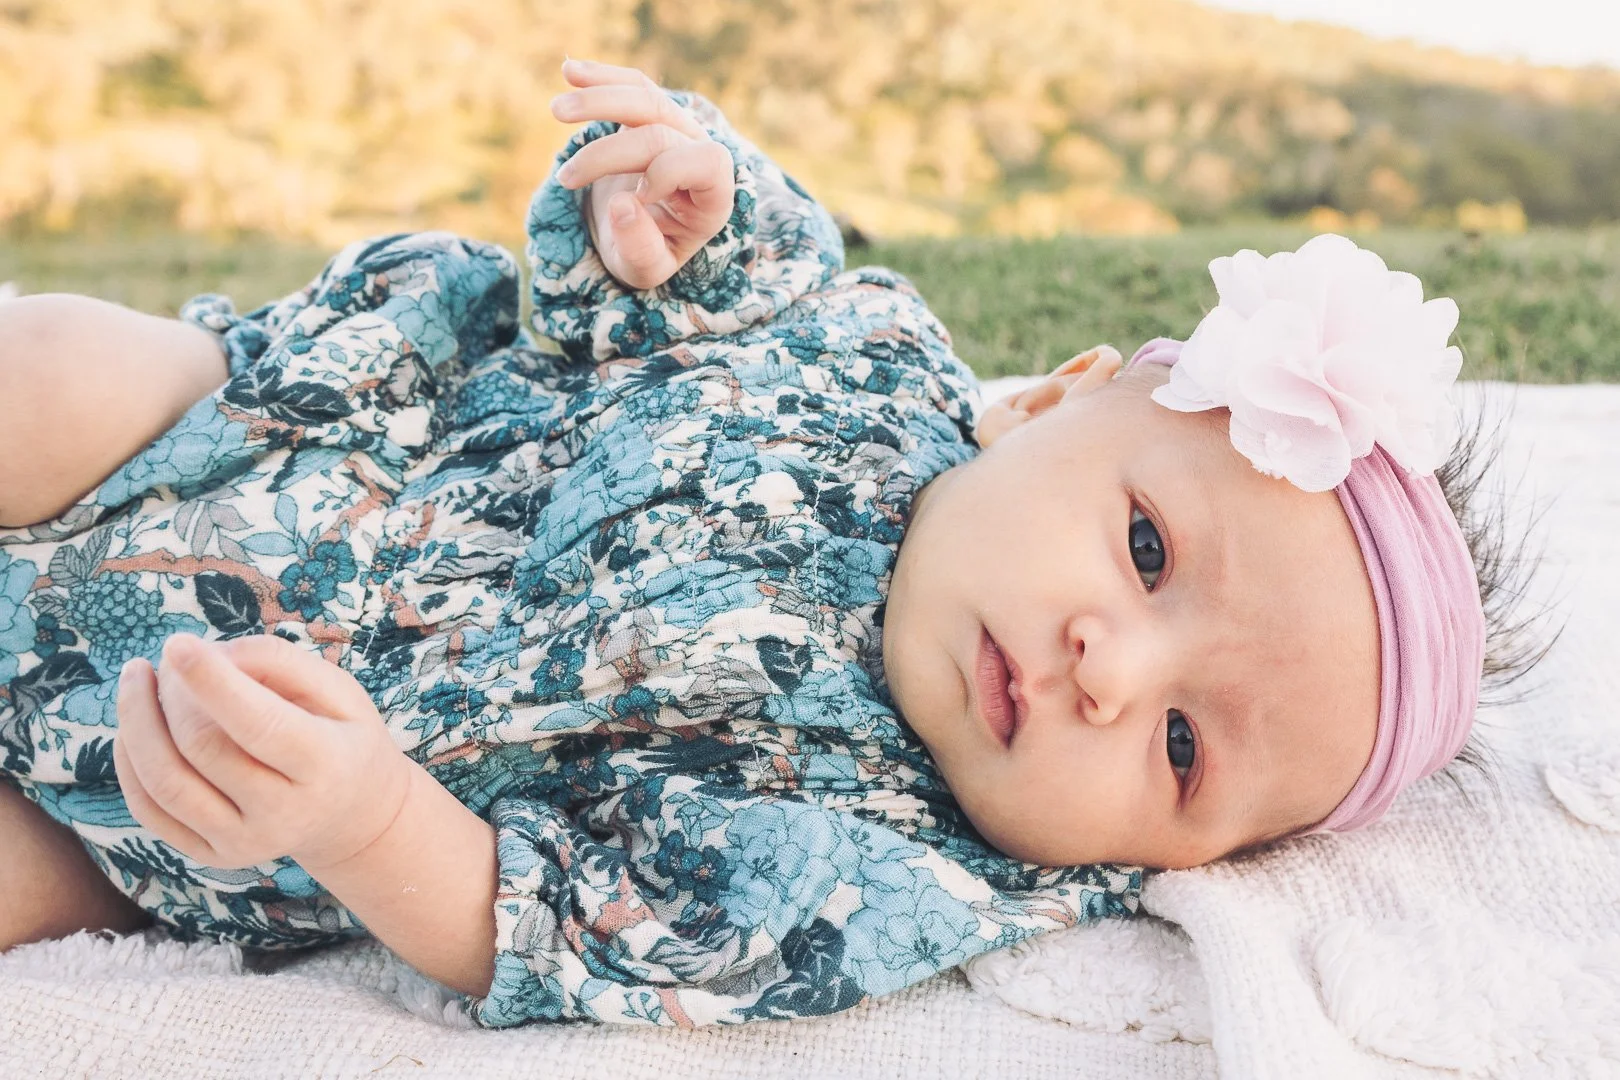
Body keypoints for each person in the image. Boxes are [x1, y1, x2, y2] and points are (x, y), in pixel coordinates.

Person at [0, 59, 1533, 1027]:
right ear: (1052, 402)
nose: (1111, 674)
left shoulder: (875, 869)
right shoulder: (875, 359)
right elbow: (710, 278)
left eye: (1187, 750)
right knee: (60, 371)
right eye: (1145, 550)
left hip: (175, 785)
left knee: (34, 883)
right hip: (277, 448)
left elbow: (546, 926)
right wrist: (678, 204)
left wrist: (357, 817)